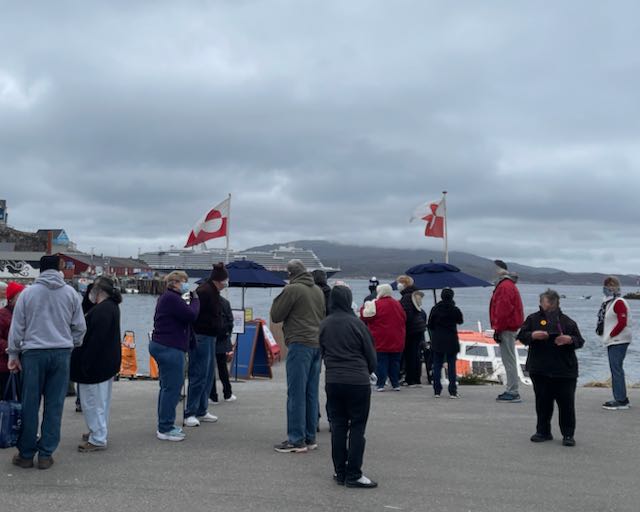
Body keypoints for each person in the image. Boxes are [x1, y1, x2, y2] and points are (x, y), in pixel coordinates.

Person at [7, 255, 86, 469]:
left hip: (33, 354)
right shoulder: (71, 294)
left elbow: (17, 328)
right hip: (61, 353)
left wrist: (13, 355)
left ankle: (25, 454)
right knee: (55, 405)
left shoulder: (28, 294)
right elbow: (80, 327)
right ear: (59, 269)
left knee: (30, 404)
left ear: (40, 270)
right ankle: (45, 454)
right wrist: (71, 343)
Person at [320, 285, 378, 488]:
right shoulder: (357, 324)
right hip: (357, 381)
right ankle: (354, 474)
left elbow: (321, 351)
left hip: (333, 380)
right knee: (357, 427)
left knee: (338, 427)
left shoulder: (325, 324)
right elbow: (371, 355)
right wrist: (368, 370)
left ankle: (340, 471)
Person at [271, 259, 326, 453]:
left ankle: (296, 439)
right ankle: (310, 437)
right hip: (316, 344)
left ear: (290, 274)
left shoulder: (293, 289)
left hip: (300, 344)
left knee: (296, 393)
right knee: (311, 393)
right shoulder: (318, 290)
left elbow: (276, 315)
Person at [518, 289, 585, 447]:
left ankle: (568, 434)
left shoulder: (567, 322)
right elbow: (521, 336)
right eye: (545, 302)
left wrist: (569, 339)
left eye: (550, 302)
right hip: (540, 369)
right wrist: (533, 336)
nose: (547, 305)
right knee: (542, 403)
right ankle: (543, 431)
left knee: (566, 404)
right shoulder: (533, 319)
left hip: (564, 371)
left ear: (555, 303)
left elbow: (580, 341)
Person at [70, 277, 122, 452]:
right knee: (102, 401)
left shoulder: (101, 311)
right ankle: (98, 431)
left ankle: (98, 437)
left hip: (95, 366)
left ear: (99, 292)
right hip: (106, 363)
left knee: (92, 402)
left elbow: (95, 341)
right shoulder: (111, 307)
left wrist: (85, 362)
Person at [149, 271, 200, 441]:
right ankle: (165, 427)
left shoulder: (168, 298)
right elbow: (191, 315)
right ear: (176, 282)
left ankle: (165, 423)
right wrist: (196, 300)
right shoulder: (172, 298)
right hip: (170, 347)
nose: (187, 285)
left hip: (163, 345)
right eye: (185, 282)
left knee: (167, 387)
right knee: (172, 388)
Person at [184, 263, 227, 427]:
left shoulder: (212, 291)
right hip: (201, 336)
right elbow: (185, 304)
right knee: (198, 374)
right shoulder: (203, 291)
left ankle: (202, 410)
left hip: (210, 337)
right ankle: (190, 412)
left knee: (208, 375)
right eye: (225, 279)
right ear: (220, 280)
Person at [489, 260, 524, 402]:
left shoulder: (504, 287)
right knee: (509, 358)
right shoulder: (508, 286)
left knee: (508, 359)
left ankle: (513, 391)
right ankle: (512, 389)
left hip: (507, 328)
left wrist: (498, 328)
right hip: (509, 327)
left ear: (500, 270)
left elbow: (503, 310)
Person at [361, 284, 406, 391]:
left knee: (381, 361)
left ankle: (381, 384)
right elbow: (404, 318)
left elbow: (365, 316)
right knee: (395, 362)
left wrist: (365, 306)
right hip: (397, 338)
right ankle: (395, 384)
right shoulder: (398, 304)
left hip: (381, 338)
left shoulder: (376, 304)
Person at [597, 276, 633, 410]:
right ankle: (620, 397)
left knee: (616, 369)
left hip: (618, 340)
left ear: (617, 287)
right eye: (607, 285)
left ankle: (621, 399)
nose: (608, 288)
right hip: (612, 340)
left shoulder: (618, 302)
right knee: (615, 369)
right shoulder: (608, 303)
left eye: (611, 285)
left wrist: (612, 334)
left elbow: (622, 321)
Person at [428, 288, 464, 398]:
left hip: (438, 339)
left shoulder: (435, 309)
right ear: (452, 297)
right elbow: (460, 321)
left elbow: (430, 324)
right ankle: (452, 390)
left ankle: (437, 391)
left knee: (437, 365)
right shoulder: (455, 309)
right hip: (451, 339)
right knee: (452, 366)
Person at [397, 275, 426, 387]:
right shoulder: (414, 295)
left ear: (404, 284)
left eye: (400, 283)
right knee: (416, 354)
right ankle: (415, 378)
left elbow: (405, 315)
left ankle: (411, 379)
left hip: (411, 329)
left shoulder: (406, 297)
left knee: (410, 354)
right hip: (418, 328)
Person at [0, 282, 25, 398]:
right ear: (11, 298)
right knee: (7, 398)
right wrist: (10, 347)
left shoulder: (24, 314)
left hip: (22, 363)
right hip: (5, 365)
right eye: (20, 296)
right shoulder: (3, 314)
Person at [210, 294, 235, 403]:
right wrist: (227, 334)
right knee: (222, 367)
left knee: (210, 368)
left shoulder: (207, 301)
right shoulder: (225, 302)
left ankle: (212, 396)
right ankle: (228, 394)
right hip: (222, 339)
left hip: (210, 338)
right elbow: (230, 321)